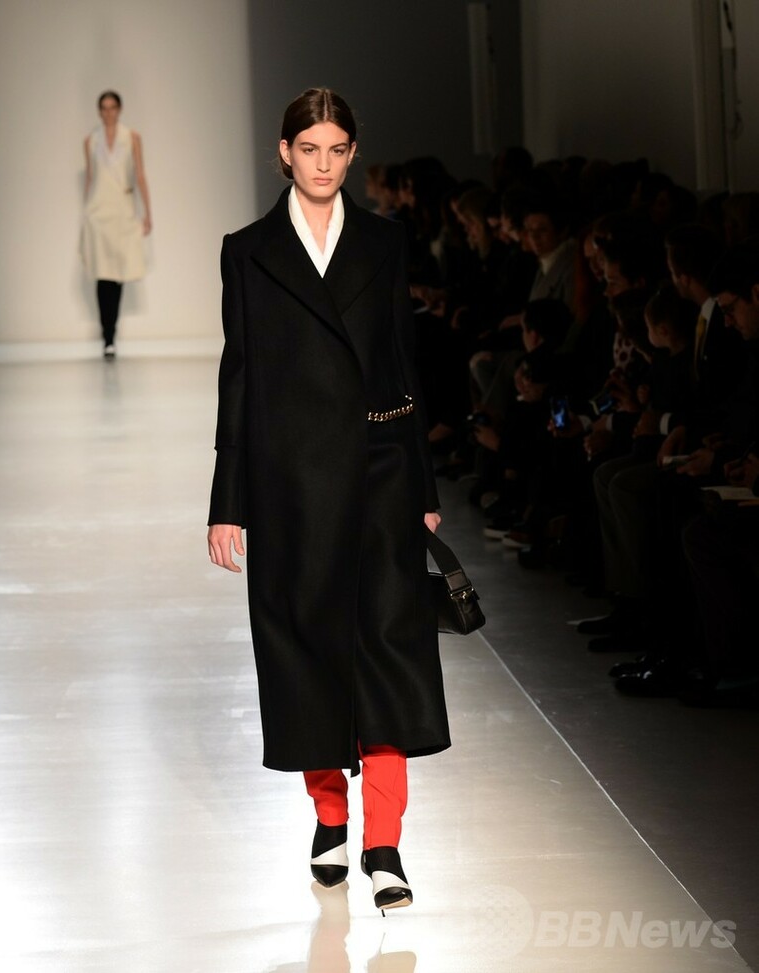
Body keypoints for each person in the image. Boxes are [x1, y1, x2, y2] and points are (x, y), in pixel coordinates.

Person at [206, 88, 450, 913]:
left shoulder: (383, 241)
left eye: (336, 149)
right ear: (285, 153)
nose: (322, 163)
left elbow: (404, 365)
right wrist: (227, 499)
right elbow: (239, 376)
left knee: (389, 649)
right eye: (308, 148)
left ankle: (385, 841)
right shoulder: (248, 252)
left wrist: (422, 484)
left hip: (379, 473)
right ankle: (330, 816)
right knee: (307, 651)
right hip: (290, 486)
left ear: (352, 153)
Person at [81, 91, 151, 359]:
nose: (108, 112)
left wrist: (147, 213)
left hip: (123, 211)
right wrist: (85, 213)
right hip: (98, 213)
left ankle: (111, 332)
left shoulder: (132, 137)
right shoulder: (91, 141)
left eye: (112, 107)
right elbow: (90, 177)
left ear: (119, 109)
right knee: (103, 274)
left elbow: (140, 174)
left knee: (118, 274)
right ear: (99, 111)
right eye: (104, 107)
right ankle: (107, 337)